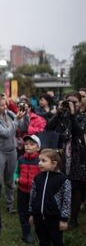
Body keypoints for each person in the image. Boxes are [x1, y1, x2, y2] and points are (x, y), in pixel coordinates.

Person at [28, 149, 73, 246]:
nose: (39, 163)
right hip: (39, 218)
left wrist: (64, 218)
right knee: (44, 243)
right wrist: (31, 213)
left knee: (58, 244)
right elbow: (33, 197)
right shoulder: (38, 178)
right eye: (39, 160)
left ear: (54, 163)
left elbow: (66, 200)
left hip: (54, 219)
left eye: (43, 161)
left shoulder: (63, 180)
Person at [45, 92, 86, 229]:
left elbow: (79, 132)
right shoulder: (61, 115)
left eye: (75, 102)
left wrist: (73, 115)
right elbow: (48, 128)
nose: (72, 104)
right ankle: (58, 215)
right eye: (69, 101)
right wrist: (58, 114)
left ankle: (73, 219)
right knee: (58, 183)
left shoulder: (81, 116)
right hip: (60, 153)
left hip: (75, 154)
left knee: (75, 186)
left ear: (80, 103)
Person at [0, 94, 22, 213]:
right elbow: (7, 133)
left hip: (11, 150)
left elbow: (22, 126)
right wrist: (16, 120)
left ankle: (9, 205)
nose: (5, 107)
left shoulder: (9, 114)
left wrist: (25, 115)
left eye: (5, 104)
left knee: (10, 180)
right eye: (2, 105)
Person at [13, 135, 41, 244]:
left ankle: (39, 232)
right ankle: (26, 233)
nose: (28, 146)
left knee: (35, 213)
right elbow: (16, 172)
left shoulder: (40, 160)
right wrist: (16, 179)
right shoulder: (21, 159)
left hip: (36, 193)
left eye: (32, 144)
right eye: (26, 144)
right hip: (22, 191)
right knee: (23, 213)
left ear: (38, 148)